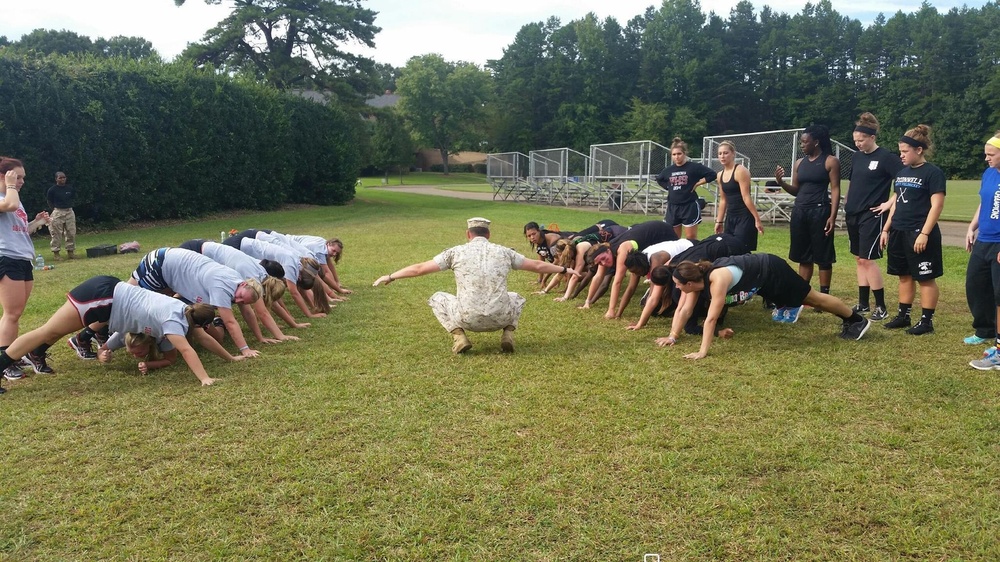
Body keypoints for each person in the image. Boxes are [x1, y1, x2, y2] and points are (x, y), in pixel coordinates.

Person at [373, 217, 577, 354]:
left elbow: (418, 269)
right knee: (517, 296)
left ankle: (459, 336)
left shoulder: (455, 252)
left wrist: (391, 276)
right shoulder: (504, 251)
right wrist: (565, 270)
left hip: (467, 318)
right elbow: (536, 265)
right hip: (500, 316)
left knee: (437, 297)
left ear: (468, 234)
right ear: (488, 235)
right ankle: (508, 333)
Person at [0, 276, 243, 383]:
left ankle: (32, 354)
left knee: (50, 332)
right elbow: (188, 351)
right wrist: (205, 378)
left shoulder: (182, 309)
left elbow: (203, 340)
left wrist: (231, 358)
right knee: (47, 331)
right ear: (198, 324)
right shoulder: (175, 322)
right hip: (103, 297)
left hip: (108, 293)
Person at [661, 254, 872, 359]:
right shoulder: (696, 282)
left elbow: (711, 319)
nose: (677, 288)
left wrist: (702, 352)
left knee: (812, 298)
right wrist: (672, 336)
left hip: (772, 270)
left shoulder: (717, 279)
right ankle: (849, 319)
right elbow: (684, 309)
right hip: (762, 281)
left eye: (678, 285)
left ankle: (855, 320)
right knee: (804, 301)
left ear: (689, 283)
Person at [129, 248, 264, 355]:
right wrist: (245, 349)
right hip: (158, 265)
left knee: (212, 335)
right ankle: (111, 337)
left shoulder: (237, 279)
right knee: (134, 302)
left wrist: (260, 338)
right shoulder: (222, 286)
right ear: (243, 284)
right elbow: (230, 322)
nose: (237, 300)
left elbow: (247, 311)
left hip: (173, 264)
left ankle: (209, 325)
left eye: (242, 301)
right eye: (240, 296)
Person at [879, 124, 946, 335]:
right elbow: (897, 202)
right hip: (899, 230)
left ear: (919, 150)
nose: (902, 155)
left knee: (925, 277)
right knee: (904, 275)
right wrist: (886, 229)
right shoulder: (901, 173)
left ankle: (926, 322)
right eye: (900, 151)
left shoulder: (933, 173)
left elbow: (937, 205)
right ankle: (903, 316)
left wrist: (924, 233)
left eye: (905, 151)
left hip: (919, 232)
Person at [774, 125, 841, 323]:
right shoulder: (799, 163)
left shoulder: (830, 161)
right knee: (803, 256)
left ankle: (824, 295)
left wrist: (832, 215)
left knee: (822, 255)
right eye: (802, 142)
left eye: (805, 142)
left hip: (820, 211)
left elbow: (835, 189)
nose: (802, 145)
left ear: (816, 142)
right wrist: (781, 183)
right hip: (800, 211)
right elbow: (796, 190)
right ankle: (804, 294)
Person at [843, 113, 902, 321]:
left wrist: (889, 203)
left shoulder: (887, 158)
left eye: (861, 140)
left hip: (872, 214)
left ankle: (882, 306)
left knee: (868, 260)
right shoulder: (857, 157)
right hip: (853, 213)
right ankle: (863, 303)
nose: (858, 144)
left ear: (872, 137)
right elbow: (853, 182)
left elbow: (905, 181)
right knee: (859, 259)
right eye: (855, 140)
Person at [0, 157, 50, 387]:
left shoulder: (15, 200)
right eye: (17, 177)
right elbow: (8, 205)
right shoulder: (7, 198)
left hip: (22, 258)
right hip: (6, 258)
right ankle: (4, 361)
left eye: (22, 178)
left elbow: (20, 231)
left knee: (16, 312)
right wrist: (10, 187)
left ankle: (11, 355)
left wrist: (36, 223)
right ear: (4, 176)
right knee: (11, 313)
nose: (21, 182)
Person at [966, 131, 1000, 369]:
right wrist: (972, 226)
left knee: (999, 295)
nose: (986, 158)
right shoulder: (988, 174)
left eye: (991, 154)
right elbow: (984, 202)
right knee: (976, 285)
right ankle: (986, 329)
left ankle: (999, 345)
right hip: (984, 240)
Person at [655, 137, 717, 239]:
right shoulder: (668, 170)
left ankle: (692, 254)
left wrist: (699, 183)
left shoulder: (693, 167)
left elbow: (712, 174)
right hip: (673, 207)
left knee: (691, 238)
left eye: (679, 154)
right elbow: (659, 179)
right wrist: (668, 187)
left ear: (684, 154)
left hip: (689, 205)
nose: (677, 157)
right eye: (674, 154)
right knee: (674, 238)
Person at [714, 140, 763, 251]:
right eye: (720, 153)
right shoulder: (719, 175)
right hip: (731, 216)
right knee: (729, 248)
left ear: (733, 154)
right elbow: (723, 200)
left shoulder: (740, 171)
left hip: (744, 216)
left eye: (725, 153)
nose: (722, 156)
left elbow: (746, 197)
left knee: (741, 249)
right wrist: (719, 221)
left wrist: (757, 219)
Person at [46, 171, 77, 260]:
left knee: (71, 232)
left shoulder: (70, 188)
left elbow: (72, 198)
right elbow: (49, 201)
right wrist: (54, 210)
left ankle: (70, 252)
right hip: (58, 211)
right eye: (60, 178)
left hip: (69, 211)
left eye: (64, 177)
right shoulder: (52, 190)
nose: (62, 179)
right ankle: (56, 253)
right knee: (56, 232)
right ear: (56, 179)